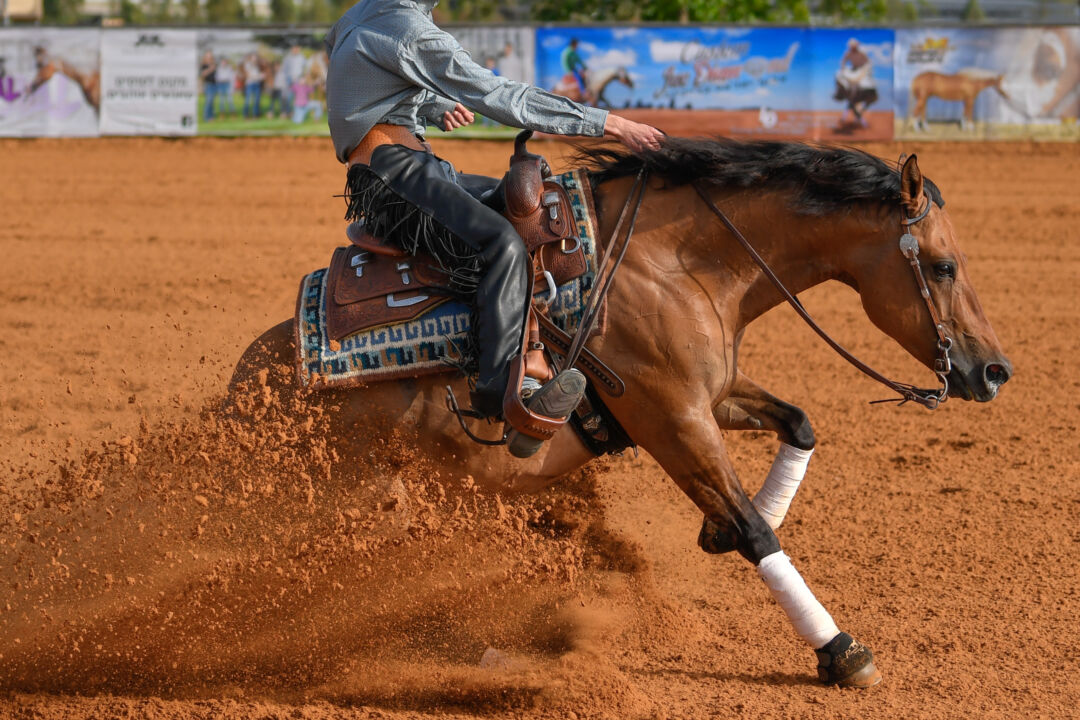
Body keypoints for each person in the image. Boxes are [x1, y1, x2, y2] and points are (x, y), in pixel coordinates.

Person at [325, 0, 663, 456]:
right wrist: (609, 123)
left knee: (532, 207)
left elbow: (356, 81)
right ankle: (503, 392)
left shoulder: (365, 12)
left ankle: (552, 352)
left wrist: (431, 107)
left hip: (404, 164)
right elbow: (500, 96)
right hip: (394, 174)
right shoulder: (408, 27)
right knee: (500, 244)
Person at [242, 53, 264, 119]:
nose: (255, 59)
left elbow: (259, 75)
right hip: (250, 84)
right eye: (253, 58)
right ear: (251, 58)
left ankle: (255, 115)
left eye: (256, 58)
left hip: (257, 84)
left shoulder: (257, 66)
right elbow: (248, 75)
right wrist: (258, 76)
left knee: (256, 100)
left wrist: (260, 76)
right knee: (248, 100)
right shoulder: (248, 65)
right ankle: (246, 115)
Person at [199, 50, 218, 122]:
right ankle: (206, 117)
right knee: (208, 101)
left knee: (212, 102)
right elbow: (203, 74)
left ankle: (211, 116)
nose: (209, 57)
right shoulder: (204, 65)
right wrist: (211, 69)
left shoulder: (214, 64)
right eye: (208, 55)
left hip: (214, 84)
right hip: (208, 84)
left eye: (210, 55)